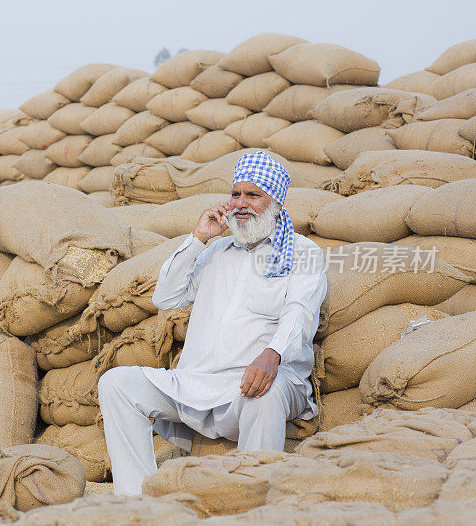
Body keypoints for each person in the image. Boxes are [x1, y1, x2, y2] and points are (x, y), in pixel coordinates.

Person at [98, 151, 327, 495]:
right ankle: (136, 501)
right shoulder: (214, 252)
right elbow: (166, 299)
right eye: (236, 194)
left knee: (268, 392)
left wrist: (272, 354)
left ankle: (253, 501)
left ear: (276, 202)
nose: (241, 203)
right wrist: (198, 238)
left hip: (257, 383)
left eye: (254, 195)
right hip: (196, 384)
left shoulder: (303, 253)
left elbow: (300, 313)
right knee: (117, 383)